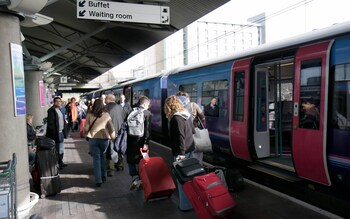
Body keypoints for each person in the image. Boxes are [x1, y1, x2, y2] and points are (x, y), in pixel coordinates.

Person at [164, 95, 195, 211]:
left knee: (182, 180)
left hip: (182, 152)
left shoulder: (176, 118)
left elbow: (180, 136)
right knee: (190, 178)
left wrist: (181, 154)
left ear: (169, 106)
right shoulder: (186, 115)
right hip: (190, 149)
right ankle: (193, 203)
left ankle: (185, 205)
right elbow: (192, 131)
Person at [84, 99, 116, 187]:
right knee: (103, 157)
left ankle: (98, 180)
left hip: (93, 138)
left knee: (96, 159)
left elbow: (86, 128)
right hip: (104, 139)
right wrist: (113, 139)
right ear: (103, 105)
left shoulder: (89, 115)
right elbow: (111, 128)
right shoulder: (106, 115)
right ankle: (104, 176)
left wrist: (85, 134)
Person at [125, 96, 152, 190]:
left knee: (131, 160)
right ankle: (141, 179)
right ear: (144, 104)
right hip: (141, 141)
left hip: (130, 140)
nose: (149, 106)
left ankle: (134, 178)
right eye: (148, 105)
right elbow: (148, 131)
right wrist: (146, 143)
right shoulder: (147, 113)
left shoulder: (132, 112)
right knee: (142, 160)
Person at [177, 91, 206, 164]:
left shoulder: (178, 107)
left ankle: (188, 169)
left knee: (186, 153)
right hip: (195, 131)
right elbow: (202, 117)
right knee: (197, 153)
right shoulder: (194, 105)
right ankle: (198, 168)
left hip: (184, 133)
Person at [105, 94, 125, 176]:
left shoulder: (106, 108)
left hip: (110, 132)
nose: (105, 99)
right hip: (120, 132)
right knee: (119, 148)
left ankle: (110, 169)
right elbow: (124, 117)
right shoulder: (120, 107)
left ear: (109, 99)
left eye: (106, 98)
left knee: (110, 151)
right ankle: (120, 165)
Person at [46, 96, 67, 170]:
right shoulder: (51, 111)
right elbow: (50, 123)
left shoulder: (61, 110)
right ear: (54, 102)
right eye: (57, 101)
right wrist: (54, 133)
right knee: (57, 149)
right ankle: (57, 163)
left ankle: (60, 162)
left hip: (61, 132)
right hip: (56, 134)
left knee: (61, 149)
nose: (58, 102)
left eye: (59, 101)